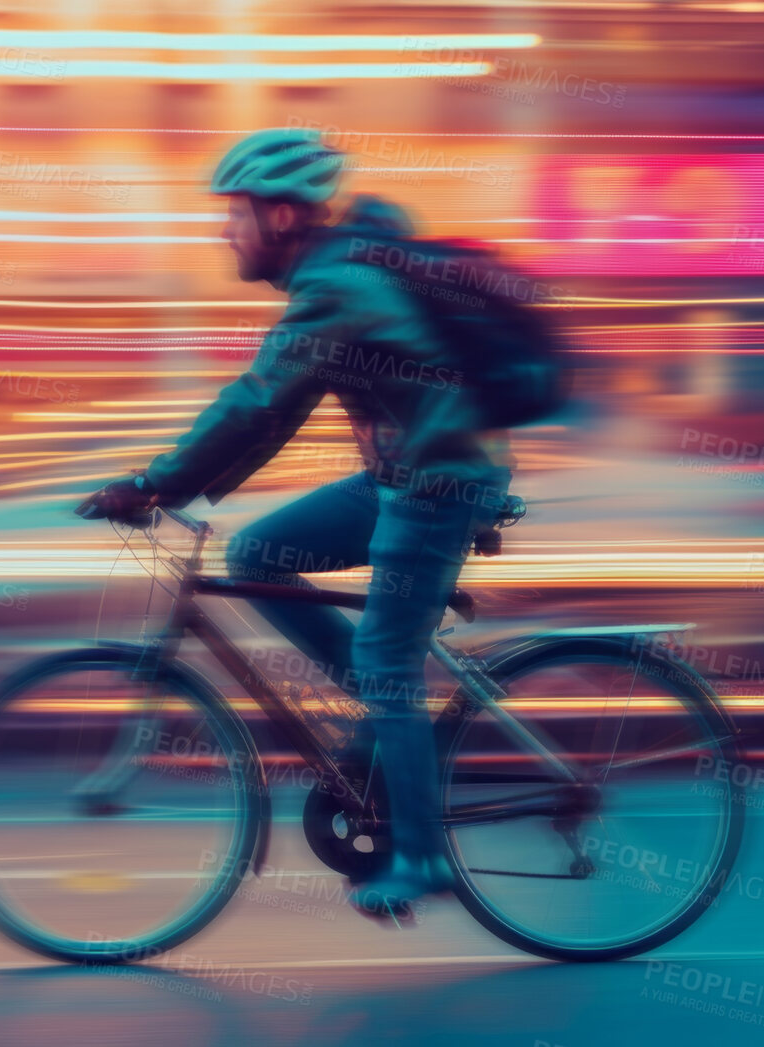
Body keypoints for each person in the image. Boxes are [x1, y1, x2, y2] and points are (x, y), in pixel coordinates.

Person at [77, 128, 515, 920]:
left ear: (280, 216)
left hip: (437, 481)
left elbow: (257, 399)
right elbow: (273, 417)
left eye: (234, 212)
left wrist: (153, 482)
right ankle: (384, 722)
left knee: (384, 659)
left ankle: (419, 851)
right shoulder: (337, 279)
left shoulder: (338, 286)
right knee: (256, 554)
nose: (223, 229)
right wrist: (184, 490)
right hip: (405, 473)